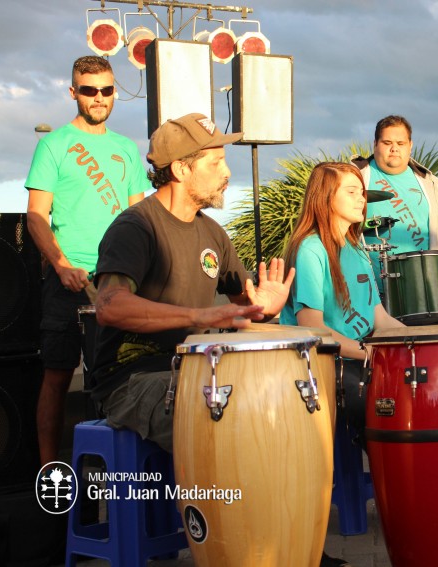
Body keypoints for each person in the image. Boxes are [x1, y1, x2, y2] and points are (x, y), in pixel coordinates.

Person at [90, 112, 294, 452]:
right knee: (222, 412)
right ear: (181, 169)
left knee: (274, 400)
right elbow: (109, 305)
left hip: (195, 371)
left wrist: (263, 308)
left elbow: (243, 306)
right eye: (215, 163)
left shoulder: (213, 233)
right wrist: (198, 316)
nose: (227, 172)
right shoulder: (136, 227)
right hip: (131, 381)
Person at [25, 55, 149, 465]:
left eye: (107, 90)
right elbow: (36, 216)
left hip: (117, 281)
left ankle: (113, 470)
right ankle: (49, 473)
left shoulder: (126, 148)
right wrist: (61, 265)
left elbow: (138, 217)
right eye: (89, 90)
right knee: (57, 376)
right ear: (73, 92)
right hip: (67, 279)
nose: (99, 97)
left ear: (115, 93)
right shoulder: (53, 144)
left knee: (117, 376)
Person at [281, 161, 405, 436]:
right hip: (323, 365)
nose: (361, 199)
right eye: (351, 192)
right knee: (389, 406)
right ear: (325, 197)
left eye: (361, 192)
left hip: (359, 359)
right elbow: (312, 328)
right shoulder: (311, 250)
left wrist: (419, 343)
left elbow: (380, 318)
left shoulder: (357, 248)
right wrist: (370, 353)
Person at [352, 115, 438, 276]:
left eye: (400, 143)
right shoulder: (353, 178)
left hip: (422, 283)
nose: (394, 148)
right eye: (387, 143)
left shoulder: (434, 185)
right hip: (365, 285)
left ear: (410, 145)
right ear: (375, 144)